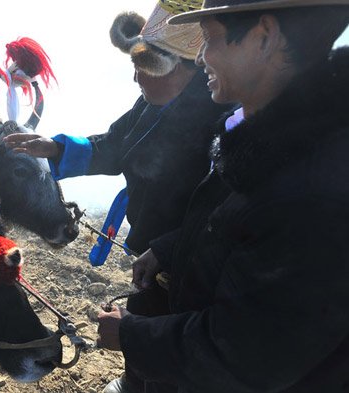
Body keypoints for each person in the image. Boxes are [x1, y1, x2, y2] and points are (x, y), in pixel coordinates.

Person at [96, 1, 349, 392]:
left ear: (264, 38)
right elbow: (232, 224)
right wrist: (169, 246)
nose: (199, 57)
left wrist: (131, 337)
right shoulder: (263, 133)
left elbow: (246, 354)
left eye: (210, 38)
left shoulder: (315, 191)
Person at [6, 2, 230, 391]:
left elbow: (227, 208)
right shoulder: (153, 102)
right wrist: (56, 150)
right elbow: (116, 144)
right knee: (143, 316)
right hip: (152, 250)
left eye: (143, 67)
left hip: (196, 263)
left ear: (180, 67)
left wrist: (168, 247)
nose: (134, 78)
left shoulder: (223, 117)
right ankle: (134, 381)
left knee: (173, 338)